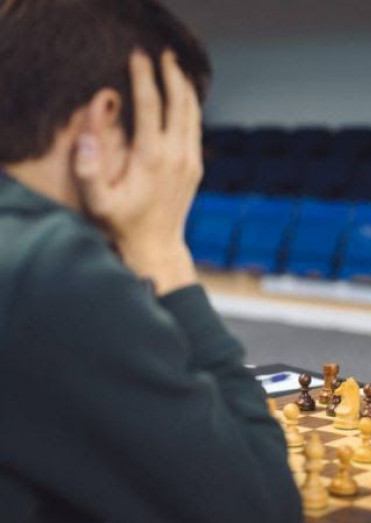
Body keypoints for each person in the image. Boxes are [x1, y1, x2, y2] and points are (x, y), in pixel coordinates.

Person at [0, 1, 301, 521]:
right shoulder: (52, 266)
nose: (181, 166)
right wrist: (162, 249)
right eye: (172, 133)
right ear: (105, 116)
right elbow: (260, 508)